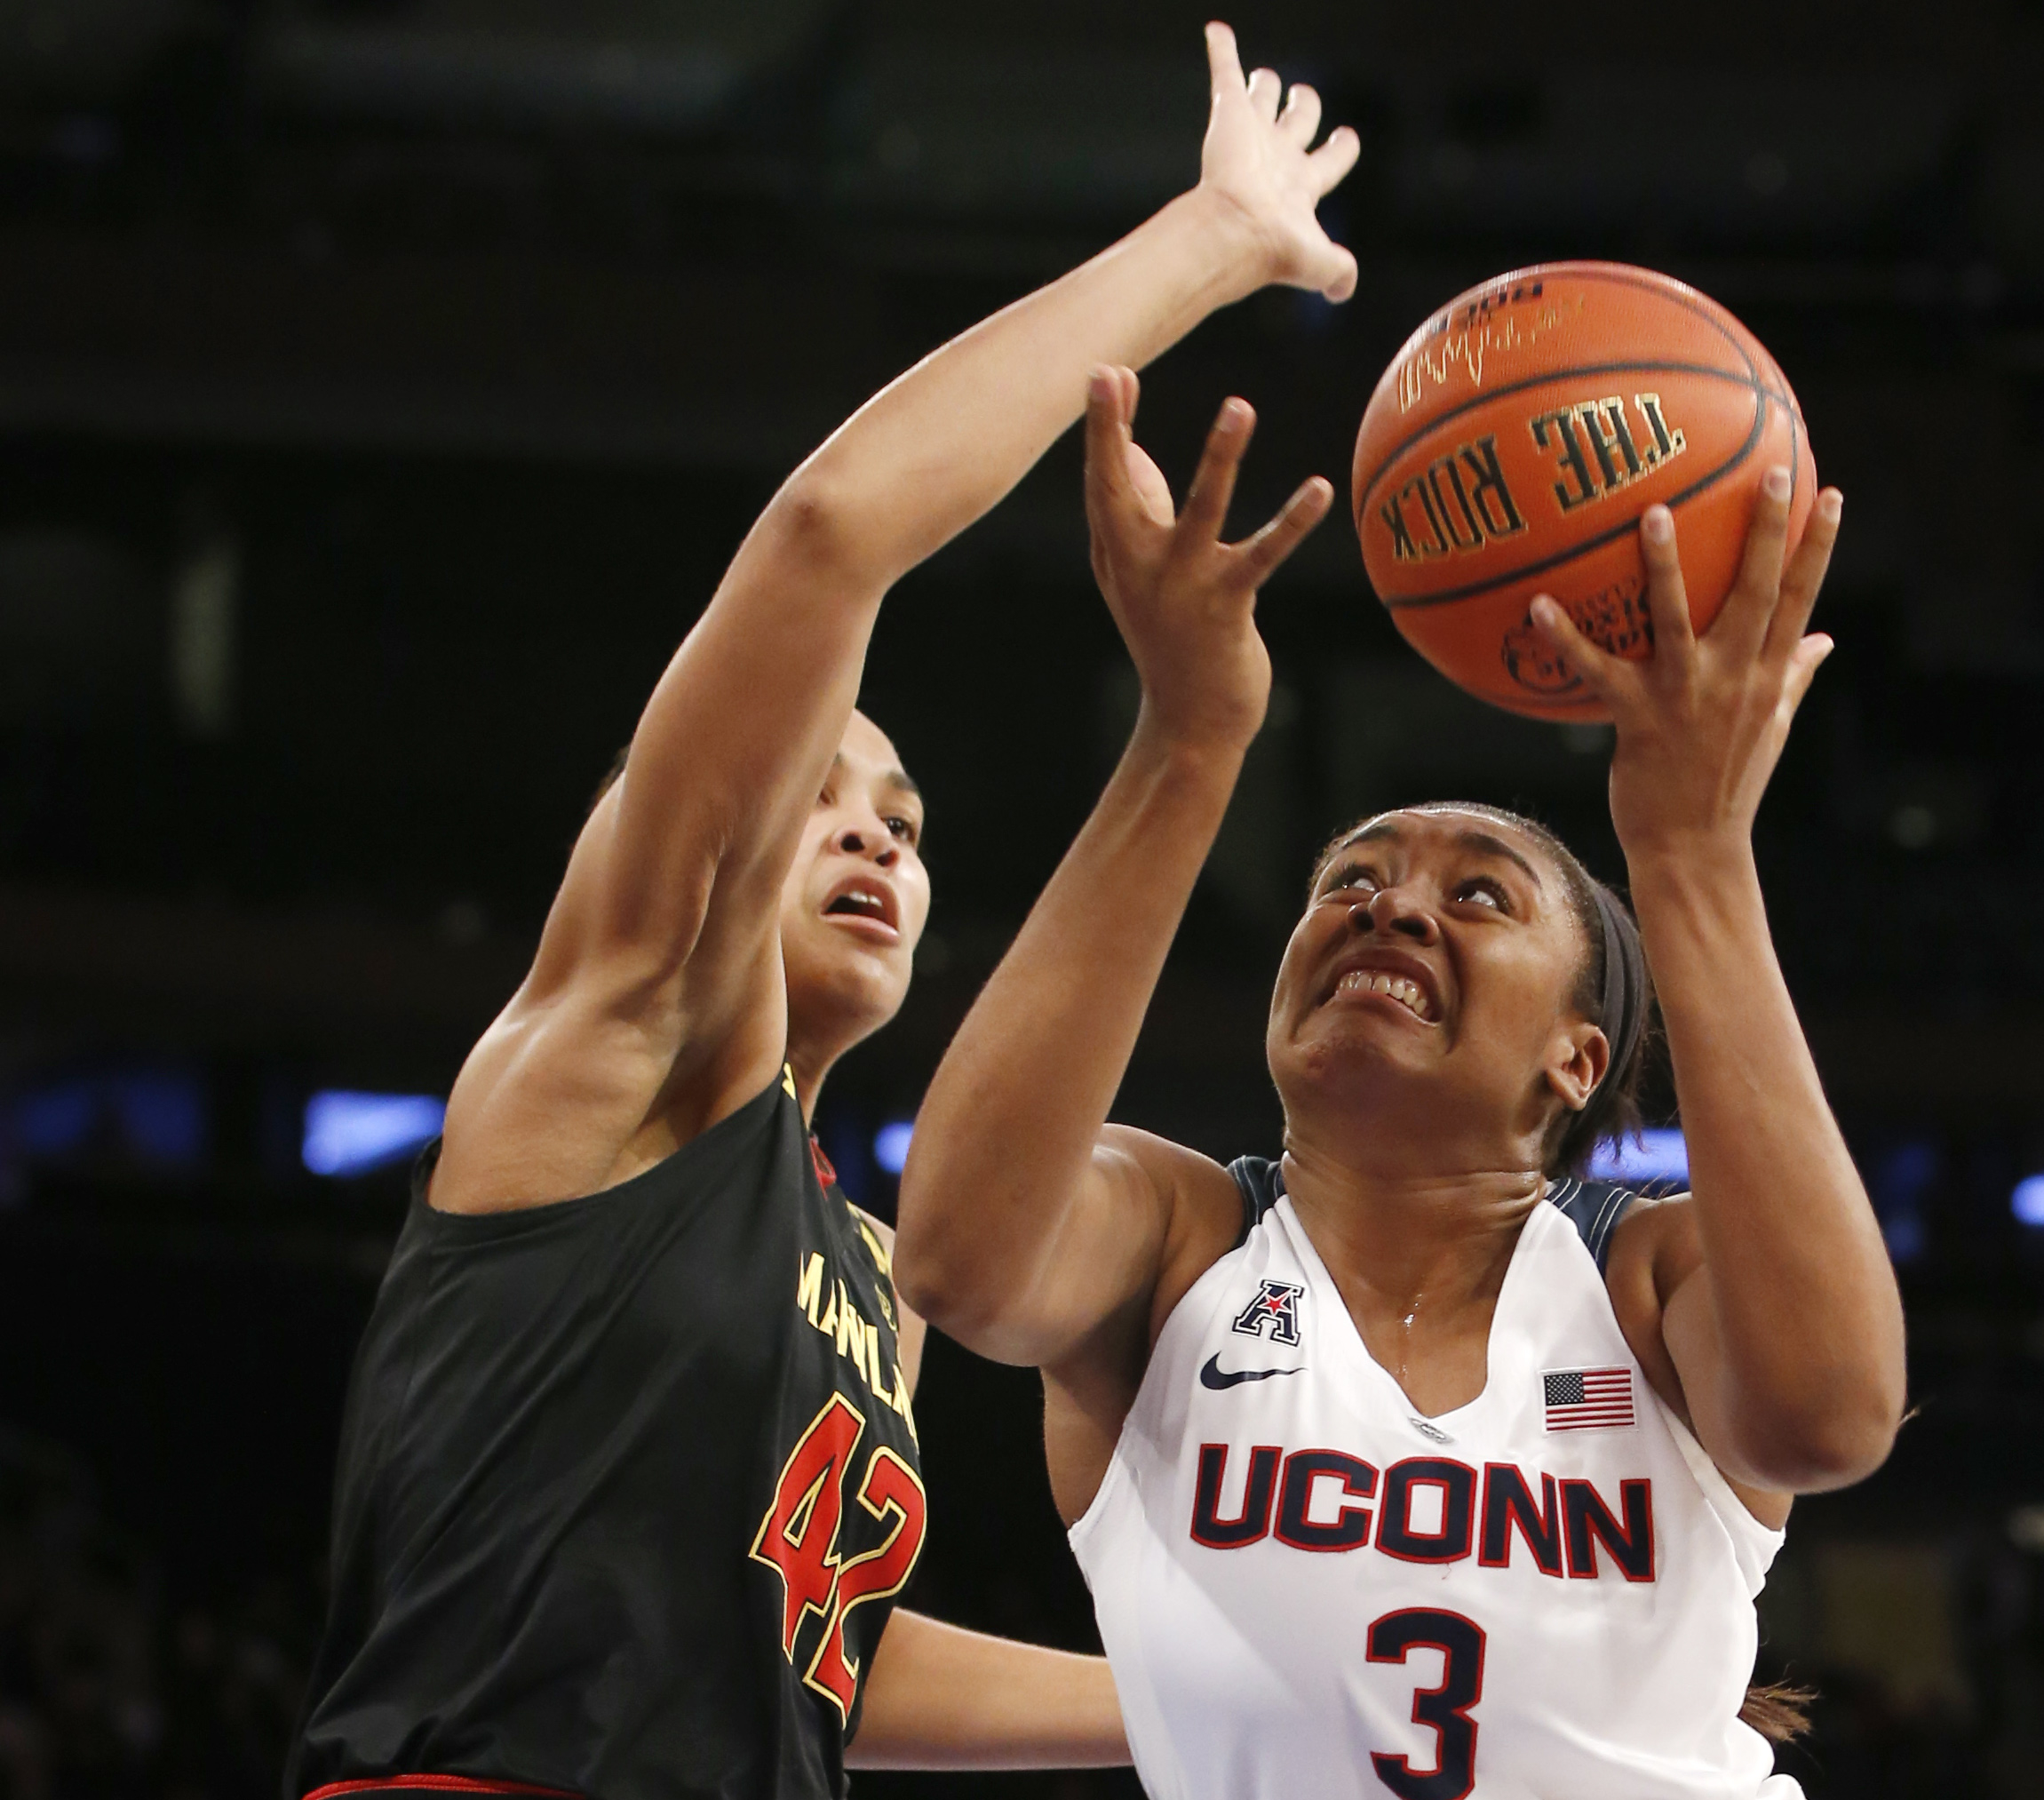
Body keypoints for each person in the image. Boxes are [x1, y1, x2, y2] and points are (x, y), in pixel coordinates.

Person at [286, 29, 1361, 1800]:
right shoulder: (618, 1034)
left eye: (908, 822)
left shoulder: (876, 1268)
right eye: (822, 796)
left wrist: (1234, 1710)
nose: (874, 833)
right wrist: (1215, 238)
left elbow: (816, 1656)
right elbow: (829, 535)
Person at [894, 369, 1908, 1798]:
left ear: (1576, 1058)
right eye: (1349, 881)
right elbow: (960, 1260)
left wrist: (1693, 856)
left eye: (1479, 894)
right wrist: (1187, 740)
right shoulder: (1177, 1241)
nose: (1392, 905)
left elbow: (1834, 1418)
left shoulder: (1646, 1277)